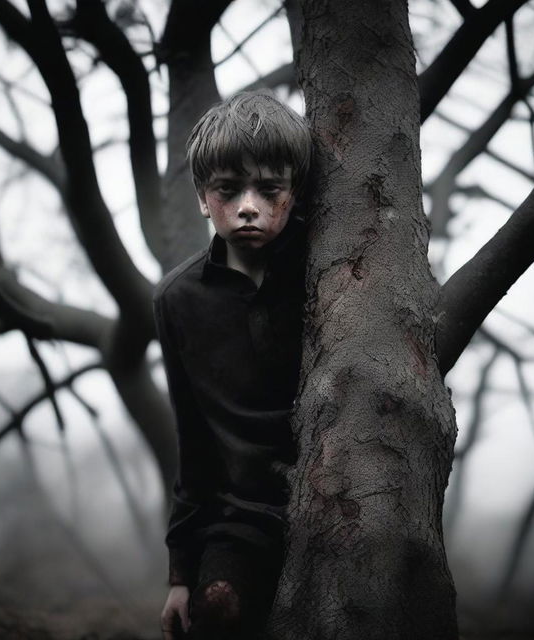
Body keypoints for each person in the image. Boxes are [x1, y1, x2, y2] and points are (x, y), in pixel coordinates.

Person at [155, 91, 312, 640]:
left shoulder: (331, 270)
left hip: (334, 493)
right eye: (228, 190)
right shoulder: (178, 299)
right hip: (240, 515)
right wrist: (181, 574)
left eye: (269, 189)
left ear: (294, 193)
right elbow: (193, 438)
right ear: (203, 198)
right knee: (217, 612)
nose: (249, 205)